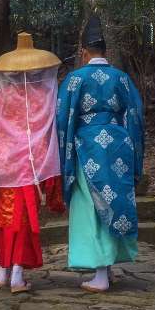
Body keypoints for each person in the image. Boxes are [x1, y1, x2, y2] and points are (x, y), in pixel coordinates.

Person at [57, 16, 145, 293]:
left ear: (84, 52)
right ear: (105, 51)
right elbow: (136, 115)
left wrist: (65, 150)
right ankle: (107, 267)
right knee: (113, 200)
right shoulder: (122, 78)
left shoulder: (74, 79)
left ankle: (100, 274)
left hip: (87, 146)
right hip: (118, 145)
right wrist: (133, 148)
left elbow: (63, 118)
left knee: (92, 207)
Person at [0, 32, 66, 293]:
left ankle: (3, 272)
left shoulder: (5, 96)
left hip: (5, 166)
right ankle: (15, 274)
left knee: (4, 220)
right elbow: (46, 131)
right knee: (22, 220)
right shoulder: (42, 96)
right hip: (32, 166)